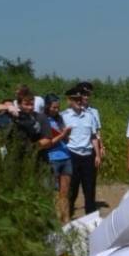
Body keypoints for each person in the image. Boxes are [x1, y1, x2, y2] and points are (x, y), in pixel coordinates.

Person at [62, 86, 102, 216]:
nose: (79, 101)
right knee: (72, 187)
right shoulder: (64, 116)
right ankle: (68, 214)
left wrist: (97, 155)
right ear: (69, 101)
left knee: (89, 187)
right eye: (76, 99)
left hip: (88, 155)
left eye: (80, 99)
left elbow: (93, 137)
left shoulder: (89, 116)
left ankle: (90, 215)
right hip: (72, 155)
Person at [40, 94, 73, 223]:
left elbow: (65, 139)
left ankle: (66, 219)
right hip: (52, 157)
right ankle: (55, 220)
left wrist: (66, 135)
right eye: (54, 107)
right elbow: (47, 143)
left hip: (66, 156)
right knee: (53, 191)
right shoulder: (43, 120)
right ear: (47, 106)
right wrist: (62, 135)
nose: (56, 110)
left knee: (65, 191)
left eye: (58, 107)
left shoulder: (60, 119)